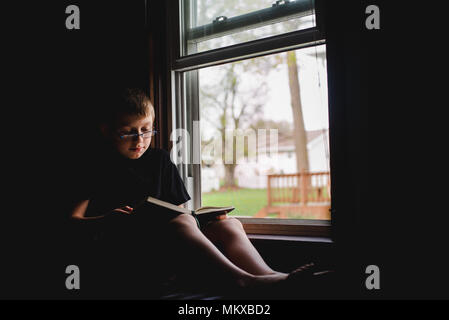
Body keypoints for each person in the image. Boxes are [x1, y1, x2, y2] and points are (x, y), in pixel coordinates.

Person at [69, 87, 328, 298]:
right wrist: (106, 220)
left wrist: (202, 220)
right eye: (128, 132)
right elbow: (72, 221)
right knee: (182, 221)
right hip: (126, 250)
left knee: (229, 226)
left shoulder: (159, 160)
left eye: (146, 130)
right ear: (106, 130)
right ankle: (243, 282)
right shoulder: (95, 166)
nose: (139, 140)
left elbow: (178, 209)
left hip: (164, 244)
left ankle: (272, 277)